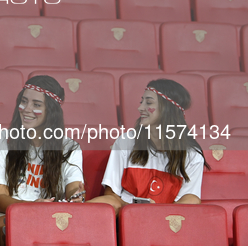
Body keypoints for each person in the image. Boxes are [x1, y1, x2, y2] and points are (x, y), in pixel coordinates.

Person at [0, 75, 84, 241]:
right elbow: (0, 197)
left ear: (51, 111)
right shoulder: (0, 140)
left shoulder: (70, 147)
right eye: (24, 101)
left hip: (52, 217)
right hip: (12, 215)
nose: (26, 109)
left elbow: (74, 188)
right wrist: (32, 208)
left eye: (36, 104)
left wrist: (76, 196)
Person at [89, 79, 209, 215]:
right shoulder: (126, 141)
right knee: (108, 202)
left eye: (149, 103)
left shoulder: (192, 154)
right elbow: (111, 194)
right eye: (142, 102)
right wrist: (134, 209)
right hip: (125, 213)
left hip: (165, 218)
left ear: (167, 109)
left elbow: (190, 198)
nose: (140, 108)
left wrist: (156, 212)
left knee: (192, 201)